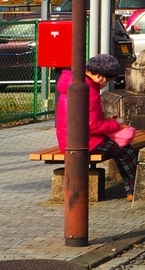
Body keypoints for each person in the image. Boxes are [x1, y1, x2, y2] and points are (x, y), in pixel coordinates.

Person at [54, 54, 137, 200]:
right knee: (126, 152)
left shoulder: (73, 82)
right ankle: (133, 190)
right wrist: (116, 125)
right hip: (83, 141)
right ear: (99, 76)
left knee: (121, 149)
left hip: (70, 138)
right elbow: (93, 126)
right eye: (109, 80)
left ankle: (131, 189)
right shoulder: (88, 90)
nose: (107, 83)